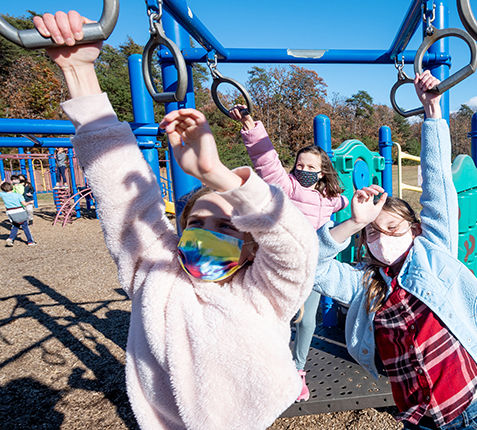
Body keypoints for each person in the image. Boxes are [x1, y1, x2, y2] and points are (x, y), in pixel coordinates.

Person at [34, 11, 317, 430]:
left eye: (228, 228)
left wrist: (218, 176)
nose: (209, 235)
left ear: (253, 244)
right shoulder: (154, 278)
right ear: (180, 232)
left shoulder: (263, 293)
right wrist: (79, 73)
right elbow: (120, 193)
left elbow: (296, 247)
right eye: (199, 223)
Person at [314, 71, 477, 430]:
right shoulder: (364, 286)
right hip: (420, 422)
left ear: (415, 230)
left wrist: (432, 113)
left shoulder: (432, 253)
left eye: (391, 228)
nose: (383, 237)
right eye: (372, 232)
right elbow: (311, 268)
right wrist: (353, 223)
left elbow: (437, 188)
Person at [229, 105, 348, 402]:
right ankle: (268, 366)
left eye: (311, 168)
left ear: (322, 172)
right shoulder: (287, 187)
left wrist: (363, 199)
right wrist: (251, 126)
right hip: (282, 265)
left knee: (307, 321)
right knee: (278, 318)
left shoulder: (329, 198)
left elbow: (344, 202)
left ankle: (297, 370)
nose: (304, 171)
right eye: (301, 165)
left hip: (313, 267)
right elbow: (267, 162)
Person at [0, 181, 35, 246]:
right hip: (20, 211)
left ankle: (10, 238)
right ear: (12, 187)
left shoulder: (3, 195)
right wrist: (30, 202)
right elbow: (24, 204)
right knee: (25, 226)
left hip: (10, 212)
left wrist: (1, 184)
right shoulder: (18, 195)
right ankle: (30, 241)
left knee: (15, 225)